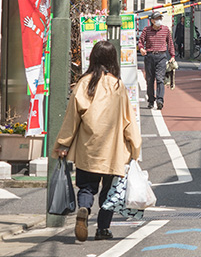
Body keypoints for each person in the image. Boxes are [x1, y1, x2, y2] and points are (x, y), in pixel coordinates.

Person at [54, 40, 142, 242]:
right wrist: (135, 148)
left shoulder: (84, 83)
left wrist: (63, 144)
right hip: (113, 149)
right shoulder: (118, 86)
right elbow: (128, 121)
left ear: (93, 58)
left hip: (88, 147)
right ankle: (102, 229)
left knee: (86, 186)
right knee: (109, 191)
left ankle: (84, 208)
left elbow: (72, 118)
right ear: (113, 61)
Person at [139, 12, 174, 110]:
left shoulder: (166, 30)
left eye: (160, 18)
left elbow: (170, 43)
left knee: (160, 79)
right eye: (157, 18)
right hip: (149, 56)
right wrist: (141, 48)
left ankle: (160, 100)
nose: (159, 20)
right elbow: (140, 41)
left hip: (161, 56)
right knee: (150, 80)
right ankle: (151, 100)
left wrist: (172, 55)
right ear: (152, 20)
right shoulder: (146, 30)